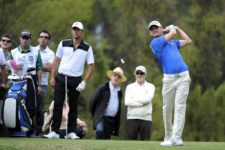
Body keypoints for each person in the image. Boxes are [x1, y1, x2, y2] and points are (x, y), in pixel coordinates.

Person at [44, 21, 95, 139]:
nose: (75, 31)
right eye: (74, 29)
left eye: (78, 29)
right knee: (57, 104)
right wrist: (52, 76)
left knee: (73, 106)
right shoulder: (63, 43)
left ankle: (72, 132)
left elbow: (91, 66)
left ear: (82, 32)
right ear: (72, 30)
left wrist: (84, 82)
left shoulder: (87, 47)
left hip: (76, 79)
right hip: (61, 77)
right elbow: (56, 60)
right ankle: (55, 132)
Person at [148, 20, 192, 146]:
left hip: (183, 77)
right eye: (152, 29)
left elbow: (188, 40)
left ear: (161, 28)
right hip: (169, 79)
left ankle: (176, 138)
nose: (154, 30)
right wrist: (171, 29)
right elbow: (171, 33)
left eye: (156, 27)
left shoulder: (172, 43)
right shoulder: (155, 43)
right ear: (151, 33)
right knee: (167, 109)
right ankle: (168, 134)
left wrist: (177, 28)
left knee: (180, 106)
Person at [9, 31, 43, 137]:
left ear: (30, 39)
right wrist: (15, 66)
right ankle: (18, 129)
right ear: (20, 38)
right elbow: (9, 65)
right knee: (17, 104)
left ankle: (30, 131)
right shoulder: (13, 52)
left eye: (27, 38)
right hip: (16, 80)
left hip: (31, 79)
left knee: (31, 106)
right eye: (23, 38)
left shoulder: (36, 51)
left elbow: (39, 68)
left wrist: (39, 85)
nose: (25, 40)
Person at [90, 67, 126, 139]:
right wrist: (96, 115)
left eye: (119, 77)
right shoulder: (103, 88)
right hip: (101, 117)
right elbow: (92, 102)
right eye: (115, 75)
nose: (116, 78)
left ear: (120, 80)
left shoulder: (119, 92)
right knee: (99, 131)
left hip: (111, 120)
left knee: (107, 138)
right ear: (111, 76)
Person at [124, 65, 155, 141]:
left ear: (145, 74)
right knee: (130, 145)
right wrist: (142, 103)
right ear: (135, 74)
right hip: (132, 118)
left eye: (141, 73)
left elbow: (147, 100)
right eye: (137, 73)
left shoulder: (151, 86)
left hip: (146, 119)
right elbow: (127, 102)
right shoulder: (129, 87)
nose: (139, 75)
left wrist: (134, 99)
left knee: (146, 145)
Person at [35, 30, 55, 138]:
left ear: (48, 40)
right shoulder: (33, 50)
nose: (43, 38)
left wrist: (37, 65)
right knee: (29, 107)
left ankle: (39, 132)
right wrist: (43, 65)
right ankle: (28, 130)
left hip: (42, 83)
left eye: (46, 37)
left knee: (40, 108)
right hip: (31, 82)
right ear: (38, 39)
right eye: (41, 36)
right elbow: (46, 67)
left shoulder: (51, 53)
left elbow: (50, 67)